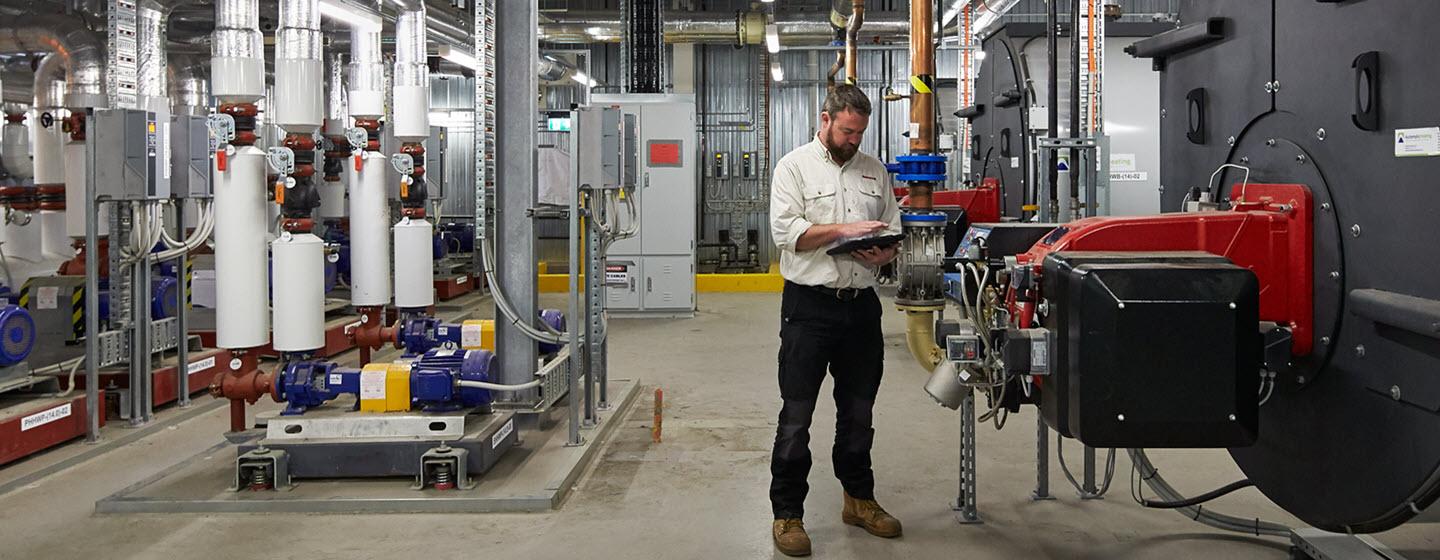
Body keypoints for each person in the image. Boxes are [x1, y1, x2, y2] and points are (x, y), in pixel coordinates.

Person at [766, 85, 902, 557]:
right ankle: (787, 514)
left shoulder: (874, 171)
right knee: (796, 416)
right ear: (824, 120)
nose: (853, 140)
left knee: (859, 414)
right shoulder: (793, 167)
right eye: (846, 130)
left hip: (861, 307)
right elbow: (788, 234)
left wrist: (884, 253)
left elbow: (892, 228)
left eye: (860, 132)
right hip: (809, 307)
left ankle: (858, 500)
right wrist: (843, 230)